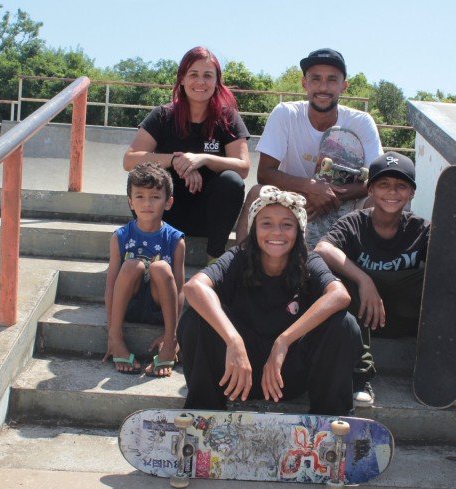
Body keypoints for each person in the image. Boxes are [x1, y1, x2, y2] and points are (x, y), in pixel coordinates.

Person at [178, 186, 363, 415]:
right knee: (195, 317)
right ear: (254, 228)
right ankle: (203, 413)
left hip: (285, 376)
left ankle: (330, 418)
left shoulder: (309, 260)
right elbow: (194, 287)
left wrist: (283, 341)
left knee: (344, 324)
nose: (276, 232)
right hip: (235, 373)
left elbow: (339, 295)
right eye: (266, 223)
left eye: (287, 224)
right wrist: (233, 340)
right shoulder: (238, 257)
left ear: (299, 231)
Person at [235, 48, 383, 246]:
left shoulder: (362, 121)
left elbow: (376, 180)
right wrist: (310, 188)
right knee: (257, 192)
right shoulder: (285, 114)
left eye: (332, 79)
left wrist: (327, 195)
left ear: (344, 86)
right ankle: (240, 267)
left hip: (346, 200)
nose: (323, 87)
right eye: (315, 79)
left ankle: (370, 273)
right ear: (304, 83)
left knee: (378, 203)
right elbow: (264, 173)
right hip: (292, 197)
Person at [315, 153, 427, 407]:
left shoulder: (420, 229)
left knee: (435, 277)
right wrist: (364, 280)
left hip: (402, 318)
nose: (392, 192)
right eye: (384, 185)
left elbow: (451, 258)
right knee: (342, 279)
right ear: (371, 189)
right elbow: (322, 248)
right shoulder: (355, 223)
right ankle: (360, 376)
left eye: (401, 186)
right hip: (361, 319)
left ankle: (442, 370)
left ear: (411, 192)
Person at [124, 46, 250, 263]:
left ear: (216, 82)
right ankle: (151, 252)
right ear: (182, 78)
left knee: (232, 181)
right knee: (142, 177)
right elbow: (130, 159)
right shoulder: (163, 115)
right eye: (193, 74)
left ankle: (214, 260)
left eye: (207, 76)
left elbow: (243, 167)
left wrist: (203, 159)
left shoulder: (227, 117)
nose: (200, 82)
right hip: (169, 210)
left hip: (209, 216)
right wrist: (177, 161)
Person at [102, 163, 185, 376]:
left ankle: (169, 343)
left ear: (168, 202)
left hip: (160, 307)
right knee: (132, 265)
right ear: (130, 202)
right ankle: (117, 340)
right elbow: (111, 285)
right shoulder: (120, 236)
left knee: (160, 268)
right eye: (139, 196)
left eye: (155, 197)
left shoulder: (176, 240)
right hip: (130, 304)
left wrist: (174, 334)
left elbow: (180, 288)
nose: (147, 203)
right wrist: (112, 331)